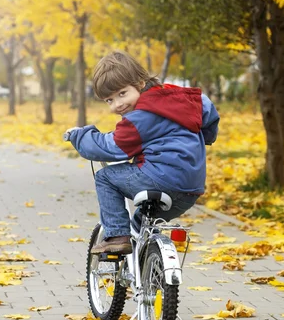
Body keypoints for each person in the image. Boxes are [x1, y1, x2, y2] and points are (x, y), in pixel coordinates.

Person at [65, 50, 219, 255]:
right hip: (190, 189)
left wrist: (81, 137)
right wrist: (204, 137)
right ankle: (149, 271)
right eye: (109, 100)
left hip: (158, 179)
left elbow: (111, 147)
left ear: (139, 83)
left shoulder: (141, 117)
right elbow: (207, 109)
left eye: (122, 93)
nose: (118, 104)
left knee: (105, 177)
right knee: (141, 225)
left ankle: (117, 235)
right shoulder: (178, 97)